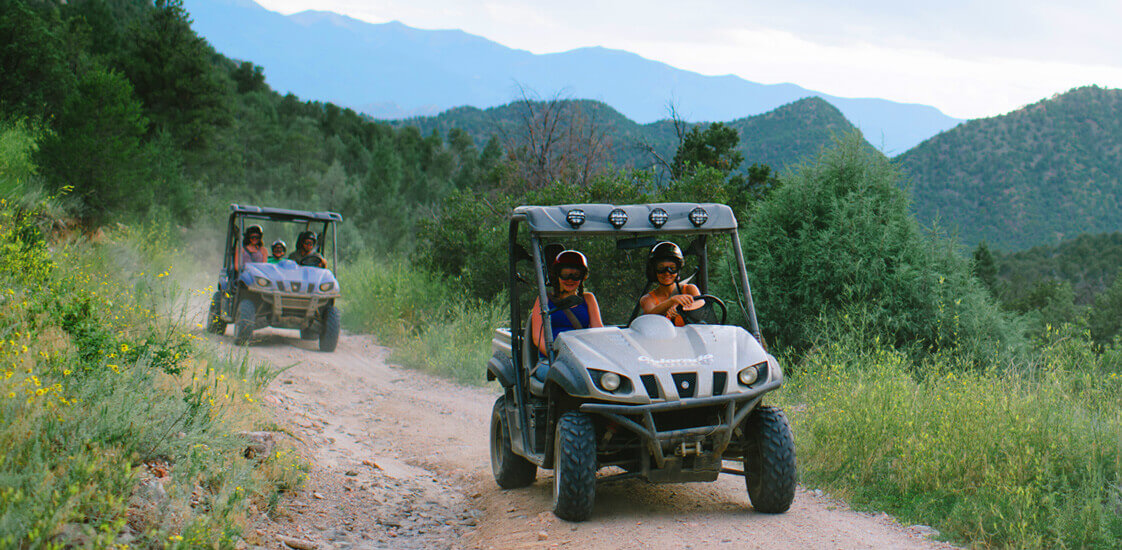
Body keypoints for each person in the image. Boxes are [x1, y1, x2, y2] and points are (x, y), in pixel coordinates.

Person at [530, 250, 603, 357]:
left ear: (582, 277)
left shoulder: (588, 299)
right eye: (565, 274)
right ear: (557, 275)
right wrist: (555, 357)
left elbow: (598, 332)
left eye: (576, 275)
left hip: (584, 357)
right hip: (553, 360)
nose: (570, 280)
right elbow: (537, 338)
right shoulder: (544, 299)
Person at [639, 241, 700, 326]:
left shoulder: (689, 289)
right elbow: (650, 316)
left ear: (678, 270)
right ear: (654, 271)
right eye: (661, 268)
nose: (667, 273)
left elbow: (701, 309)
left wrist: (681, 309)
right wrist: (671, 301)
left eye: (672, 268)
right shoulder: (647, 299)